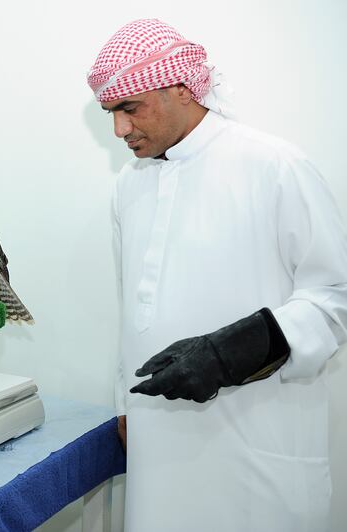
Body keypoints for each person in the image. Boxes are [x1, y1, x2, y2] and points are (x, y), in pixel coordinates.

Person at [87, 19, 347, 532]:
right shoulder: (128, 184)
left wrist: (237, 349)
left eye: (129, 108)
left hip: (255, 440)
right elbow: (130, 307)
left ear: (181, 88)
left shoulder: (274, 165)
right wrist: (124, 404)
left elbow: (336, 296)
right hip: (157, 439)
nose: (119, 130)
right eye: (110, 113)